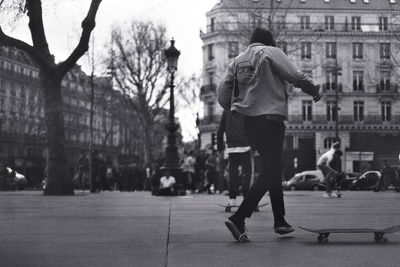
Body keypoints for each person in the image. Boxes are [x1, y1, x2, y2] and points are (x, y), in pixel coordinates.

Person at [218, 27, 321, 241]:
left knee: (271, 167)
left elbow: (222, 91)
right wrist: (313, 90)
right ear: (269, 41)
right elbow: (294, 75)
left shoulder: (237, 60)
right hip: (271, 118)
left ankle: (280, 220)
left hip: (249, 122)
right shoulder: (270, 52)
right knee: (273, 168)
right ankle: (240, 217)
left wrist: (236, 107)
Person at [217, 109, 252, 208]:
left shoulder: (227, 110)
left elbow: (220, 129)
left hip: (232, 147)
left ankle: (232, 199)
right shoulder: (246, 107)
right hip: (245, 146)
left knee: (233, 174)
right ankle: (247, 198)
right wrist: (256, 145)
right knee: (247, 173)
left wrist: (220, 148)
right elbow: (252, 128)